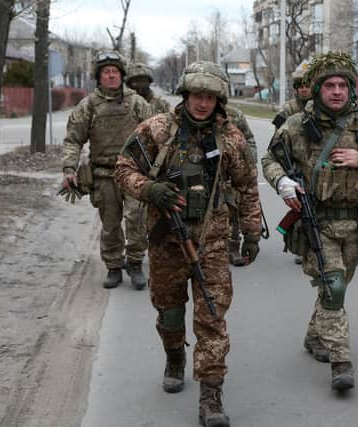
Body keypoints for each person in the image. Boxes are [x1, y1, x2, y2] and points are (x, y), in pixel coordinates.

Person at [115, 60, 261, 427]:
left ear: (219, 100)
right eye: (197, 95)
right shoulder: (157, 129)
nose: (202, 102)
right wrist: (150, 189)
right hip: (167, 241)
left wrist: (252, 230)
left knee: (212, 316)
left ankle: (211, 396)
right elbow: (123, 169)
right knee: (170, 311)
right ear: (186, 94)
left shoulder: (231, 138)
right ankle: (175, 357)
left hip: (212, 240)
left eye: (210, 96)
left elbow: (246, 185)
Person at [262, 52, 358, 392]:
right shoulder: (297, 126)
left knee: (335, 290)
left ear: (351, 90)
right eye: (330, 85)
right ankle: (342, 362)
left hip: (357, 225)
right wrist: (282, 183)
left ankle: (315, 336)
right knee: (334, 286)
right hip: (318, 224)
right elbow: (271, 160)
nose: (337, 91)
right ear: (317, 89)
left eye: (343, 85)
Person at [61, 50, 151, 290]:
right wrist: (69, 168)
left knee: (137, 219)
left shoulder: (137, 103)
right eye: (106, 72)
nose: (111, 76)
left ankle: (134, 262)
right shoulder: (88, 105)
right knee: (110, 224)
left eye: (114, 72)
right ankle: (113, 266)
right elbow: (73, 139)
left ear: (121, 75)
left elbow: (156, 135)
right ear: (98, 77)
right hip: (103, 175)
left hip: (134, 172)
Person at [272, 62, 313, 265]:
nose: (304, 89)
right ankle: (301, 244)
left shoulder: (320, 105)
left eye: (307, 84)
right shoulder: (289, 109)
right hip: (295, 163)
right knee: (301, 208)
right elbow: (278, 142)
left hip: (316, 162)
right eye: (300, 85)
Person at [224, 105, 258, 266]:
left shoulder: (234, 114)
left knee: (234, 206)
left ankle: (233, 247)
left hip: (233, 170)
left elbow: (249, 138)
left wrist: (249, 160)